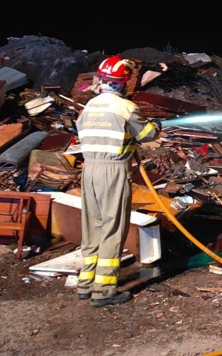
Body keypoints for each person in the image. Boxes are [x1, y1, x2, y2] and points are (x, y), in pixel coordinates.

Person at [75, 55, 160, 307]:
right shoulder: (125, 107)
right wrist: (156, 124)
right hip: (112, 171)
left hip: (89, 169)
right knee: (113, 228)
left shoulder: (90, 106)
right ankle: (104, 291)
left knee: (93, 227)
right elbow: (148, 134)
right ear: (122, 82)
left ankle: (85, 284)